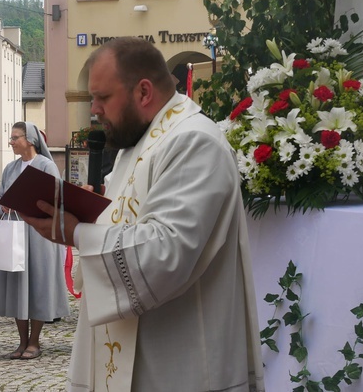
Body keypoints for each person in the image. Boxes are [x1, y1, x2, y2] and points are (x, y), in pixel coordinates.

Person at [21, 38, 264, 391]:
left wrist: (78, 234)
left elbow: (167, 251)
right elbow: (128, 223)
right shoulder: (137, 143)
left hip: (178, 361)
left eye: (103, 97)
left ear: (144, 92)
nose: (94, 109)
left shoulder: (194, 142)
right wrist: (91, 215)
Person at [0, 121, 69, 360]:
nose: (11, 141)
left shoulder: (46, 166)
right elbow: (1, 199)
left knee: (37, 285)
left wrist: (24, 203)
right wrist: (0, 205)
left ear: (30, 140)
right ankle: (21, 341)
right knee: (18, 286)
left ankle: (34, 341)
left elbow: (55, 198)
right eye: (11, 138)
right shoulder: (10, 168)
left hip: (39, 235)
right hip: (16, 233)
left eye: (15, 137)